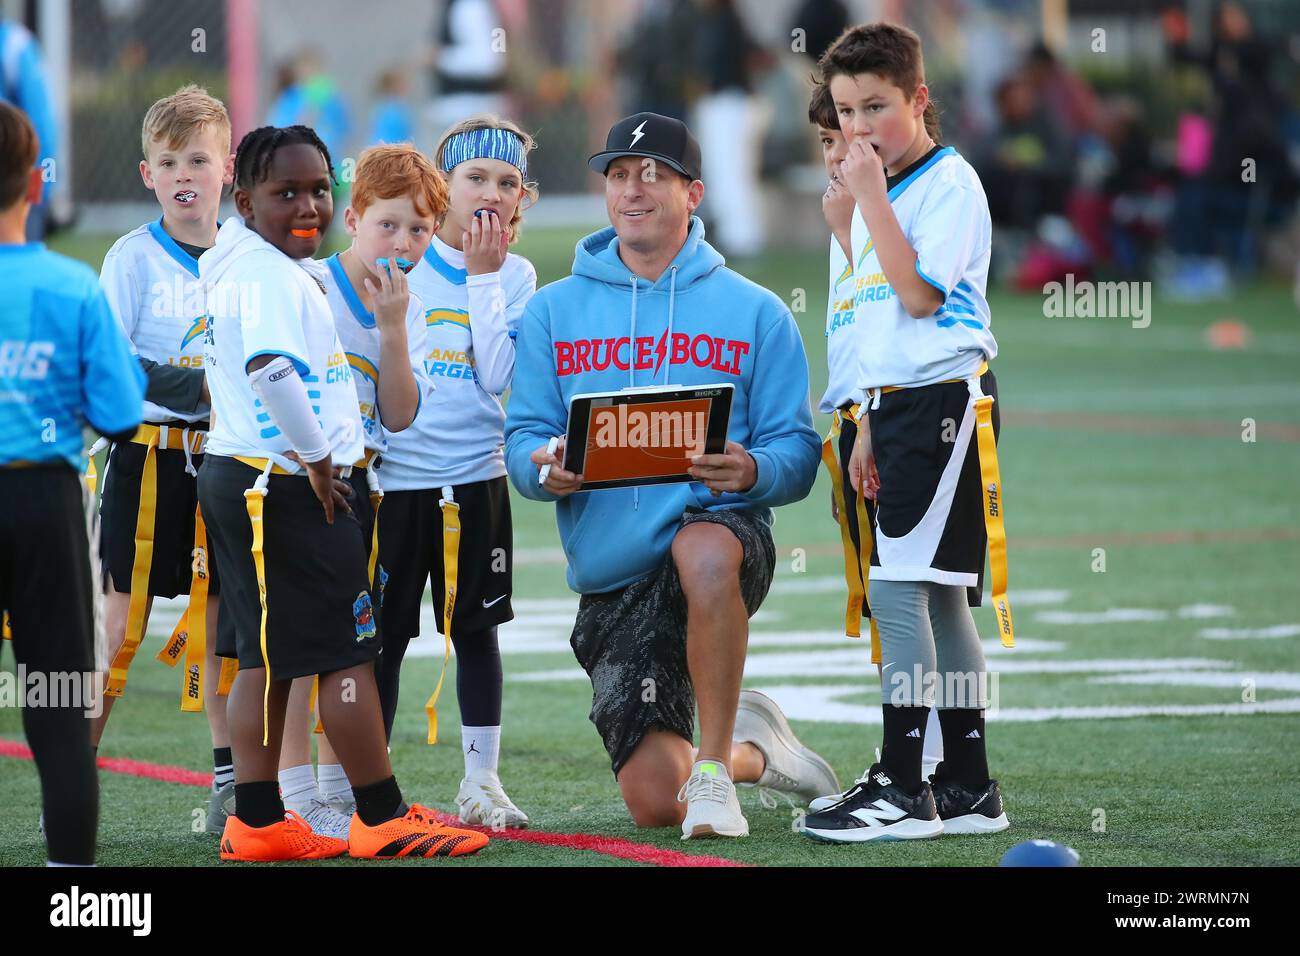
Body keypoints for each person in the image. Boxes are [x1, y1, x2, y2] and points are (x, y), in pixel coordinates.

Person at [504, 112, 835, 840]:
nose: (633, 189)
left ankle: (714, 774)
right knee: (657, 802)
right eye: (618, 175)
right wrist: (542, 470)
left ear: (694, 194)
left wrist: (751, 467)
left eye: (653, 175)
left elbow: (799, 454)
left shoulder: (757, 312)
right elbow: (521, 438)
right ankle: (756, 754)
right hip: (614, 574)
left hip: (719, 539)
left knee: (704, 548)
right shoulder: (553, 311)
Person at [197, 124, 486, 860]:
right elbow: (272, 370)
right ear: (245, 199)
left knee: (262, 656)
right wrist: (323, 459)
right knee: (347, 655)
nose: (307, 205)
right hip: (290, 483)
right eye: (285, 191)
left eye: (317, 188)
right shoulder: (273, 274)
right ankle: (381, 816)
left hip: (248, 475)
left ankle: (257, 822)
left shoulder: (247, 260)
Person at [800, 22, 1012, 844]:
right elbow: (870, 331)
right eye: (845, 113)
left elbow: (921, 299)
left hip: (942, 402)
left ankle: (901, 783)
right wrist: (860, 422)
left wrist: (869, 206)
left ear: (919, 100)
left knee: (898, 591)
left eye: (875, 107)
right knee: (938, 594)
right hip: (896, 407)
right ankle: (966, 783)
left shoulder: (947, 182)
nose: (857, 130)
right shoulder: (867, 193)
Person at [270, 142, 443, 837]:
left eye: (420, 231)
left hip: (363, 484)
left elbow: (400, 412)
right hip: (298, 479)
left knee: (353, 640)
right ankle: (294, 791)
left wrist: (394, 330)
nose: (402, 244)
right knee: (294, 643)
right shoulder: (308, 285)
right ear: (353, 217)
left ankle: (341, 791)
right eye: (389, 225)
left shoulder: (414, 307)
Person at [378, 116, 537, 828]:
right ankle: (366, 782)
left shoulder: (518, 275)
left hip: (477, 477)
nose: (491, 194)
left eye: (507, 184)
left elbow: (498, 374)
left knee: (476, 630)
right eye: (475, 178)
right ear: (443, 190)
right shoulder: (401, 257)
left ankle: (480, 781)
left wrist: (483, 279)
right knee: (382, 636)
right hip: (396, 481)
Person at [0, 101, 145, 865]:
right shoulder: (71, 285)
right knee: (57, 707)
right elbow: (121, 414)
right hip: (44, 504)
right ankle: (71, 896)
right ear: (33, 179)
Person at [89, 85, 236, 835]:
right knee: (119, 627)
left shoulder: (249, 256)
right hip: (148, 459)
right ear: (148, 173)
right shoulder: (132, 258)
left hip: (225, 464)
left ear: (227, 170)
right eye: (169, 160)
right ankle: (72, 775)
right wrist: (207, 387)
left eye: (199, 159)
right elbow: (111, 363)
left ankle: (230, 783)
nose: (185, 172)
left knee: (221, 628)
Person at [802, 81, 944, 814]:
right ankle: (946, 772)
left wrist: (874, 423)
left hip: (918, 415)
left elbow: (907, 323)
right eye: (828, 143)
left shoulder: (916, 204)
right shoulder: (846, 217)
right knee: (915, 595)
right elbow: (853, 334)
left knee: (910, 593)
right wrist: (855, 421)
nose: (838, 156)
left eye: (851, 139)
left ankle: (916, 775)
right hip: (872, 418)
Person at [0, 16, 57, 240]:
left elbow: (41, 127)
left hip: (14, 187)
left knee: (18, 260)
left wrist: (41, 187)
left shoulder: (14, 46)